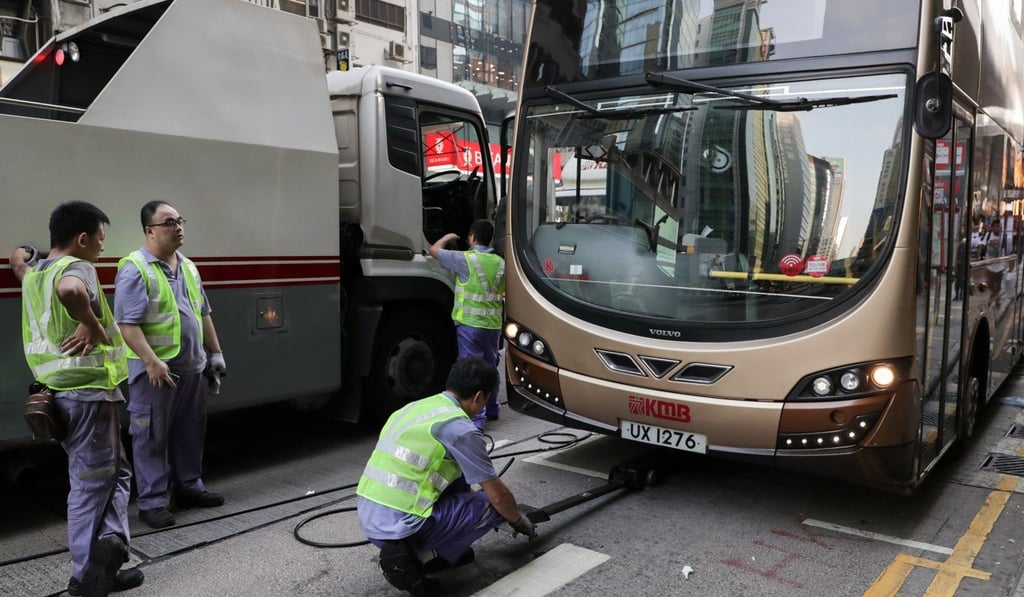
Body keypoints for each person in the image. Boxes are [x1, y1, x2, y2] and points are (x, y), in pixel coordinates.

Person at [10, 201, 144, 597]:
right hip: (88, 393)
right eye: (100, 241)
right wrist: (89, 321)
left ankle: (112, 554)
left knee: (115, 474)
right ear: (82, 239)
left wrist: (25, 253)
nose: (102, 249)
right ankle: (85, 575)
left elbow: (17, 259)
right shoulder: (76, 269)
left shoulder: (34, 275)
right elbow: (71, 290)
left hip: (57, 395)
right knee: (89, 484)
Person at [356, 357, 538, 596]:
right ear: (479, 397)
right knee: (492, 508)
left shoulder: (415, 408)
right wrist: (519, 521)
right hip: (400, 530)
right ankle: (419, 558)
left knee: (458, 480)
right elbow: (499, 497)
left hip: (369, 516)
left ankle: (447, 550)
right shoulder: (459, 429)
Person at [113, 200, 226, 529]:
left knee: (189, 432)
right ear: (150, 231)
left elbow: (203, 312)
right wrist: (151, 362)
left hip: (191, 368)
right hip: (154, 373)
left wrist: (215, 353)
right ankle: (152, 502)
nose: (178, 227)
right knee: (150, 436)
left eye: (180, 220)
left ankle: (190, 487)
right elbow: (127, 326)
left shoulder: (188, 267)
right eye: (169, 222)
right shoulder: (135, 269)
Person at [429, 220, 505, 428]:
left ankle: (477, 419)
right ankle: (492, 408)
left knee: (471, 370)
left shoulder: (465, 260)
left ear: (472, 237)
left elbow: (434, 250)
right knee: (490, 367)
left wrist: (448, 237)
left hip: (470, 325)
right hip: (492, 325)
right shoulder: (501, 263)